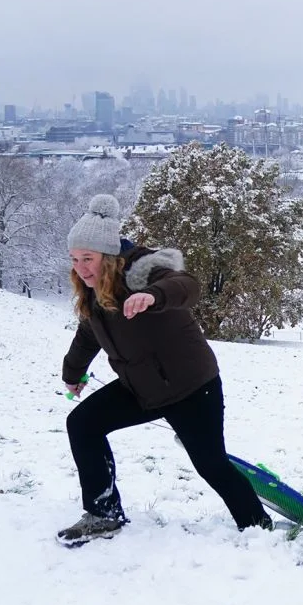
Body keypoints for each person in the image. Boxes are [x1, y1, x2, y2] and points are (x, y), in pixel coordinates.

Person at [58, 195, 270, 545]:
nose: (81, 268)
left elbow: (187, 287)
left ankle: (258, 527)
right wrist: (73, 373)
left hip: (190, 387)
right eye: (75, 259)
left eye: (88, 259)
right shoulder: (93, 291)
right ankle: (103, 514)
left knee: (211, 464)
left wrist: (153, 295)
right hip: (140, 387)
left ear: (107, 256)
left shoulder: (143, 271)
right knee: (82, 424)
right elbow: (87, 333)